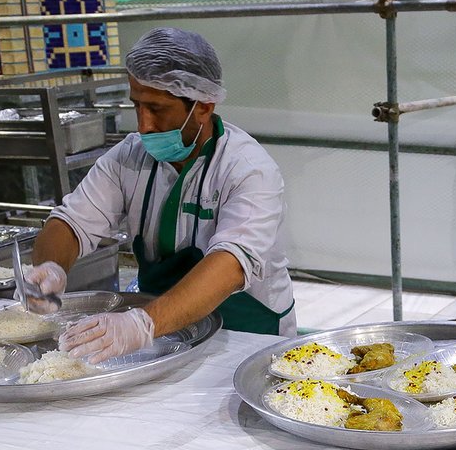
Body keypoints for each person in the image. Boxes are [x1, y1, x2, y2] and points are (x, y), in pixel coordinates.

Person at [26, 27, 296, 363]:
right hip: (168, 331)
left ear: (204, 106)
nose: (143, 125)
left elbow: (229, 266)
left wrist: (140, 324)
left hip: (246, 335)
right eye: (137, 105)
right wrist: (50, 267)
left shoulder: (248, 169)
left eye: (156, 108)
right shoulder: (130, 157)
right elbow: (71, 221)